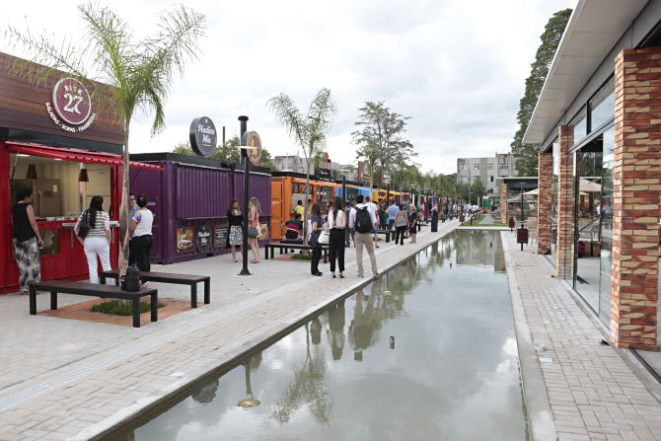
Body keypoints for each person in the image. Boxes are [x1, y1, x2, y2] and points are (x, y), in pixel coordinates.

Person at [11, 188, 44, 294]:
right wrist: (39, 237)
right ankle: (32, 287)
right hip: (28, 237)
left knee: (22, 263)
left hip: (17, 238)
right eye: (31, 196)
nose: (32, 197)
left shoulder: (13, 207)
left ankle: (23, 287)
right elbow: (33, 222)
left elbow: (13, 222)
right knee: (33, 262)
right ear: (26, 197)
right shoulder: (28, 206)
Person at [75, 195, 111, 284]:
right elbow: (107, 229)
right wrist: (109, 241)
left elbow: (76, 228)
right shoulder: (104, 214)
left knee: (92, 266)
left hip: (88, 241)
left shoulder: (85, 213)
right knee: (106, 265)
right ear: (101, 204)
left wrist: (82, 241)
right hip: (102, 241)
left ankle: (94, 287)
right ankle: (111, 286)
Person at [348, 194, 378, 278]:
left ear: (356, 201)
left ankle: (361, 273)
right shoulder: (368, 209)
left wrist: (354, 231)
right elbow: (374, 221)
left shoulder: (352, 210)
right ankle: (375, 271)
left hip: (357, 234)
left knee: (359, 254)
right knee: (371, 252)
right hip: (368, 234)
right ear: (363, 200)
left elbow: (350, 225)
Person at [129, 195, 154, 273]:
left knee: (141, 261)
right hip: (149, 237)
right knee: (146, 259)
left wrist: (131, 234)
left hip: (140, 239)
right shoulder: (149, 212)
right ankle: (147, 278)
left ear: (137, 203)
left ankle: (144, 279)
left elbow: (132, 227)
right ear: (146, 203)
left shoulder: (138, 213)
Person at [328, 196, 346, 278]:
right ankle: (341, 271)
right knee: (340, 252)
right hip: (340, 233)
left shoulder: (330, 212)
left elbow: (329, 224)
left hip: (332, 233)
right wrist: (338, 226)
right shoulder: (342, 212)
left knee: (332, 252)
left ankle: (333, 271)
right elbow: (344, 225)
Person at [309, 203, 324, 276]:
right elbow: (314, 228)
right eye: (319, 208)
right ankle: (314, 271)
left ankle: (315, 269)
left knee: (317, 254)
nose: (320, 210)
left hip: (318, 238)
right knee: (316, 254)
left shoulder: (316, 217)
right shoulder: (315, 217)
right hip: (316, 238)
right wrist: (322, 228)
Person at [248, 197, 261, 264]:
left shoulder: (252, 208)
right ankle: (257, 257)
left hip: (253, 227)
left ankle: (256, 258)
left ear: (252, 202)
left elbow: (252, 219)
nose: (249, 202)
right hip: (257, 226)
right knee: (256, 243)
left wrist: (247, 218)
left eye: (250, 201)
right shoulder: (257, 209)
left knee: (252, 244)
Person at [128, 193, 138, 266]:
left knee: (133, 253)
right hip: (127, 235)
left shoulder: (138, 210)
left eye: (132, 199)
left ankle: (133, 267)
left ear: (135, 200)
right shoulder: (126, 209)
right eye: (129, 200)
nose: (130, 201)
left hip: (135, 234)